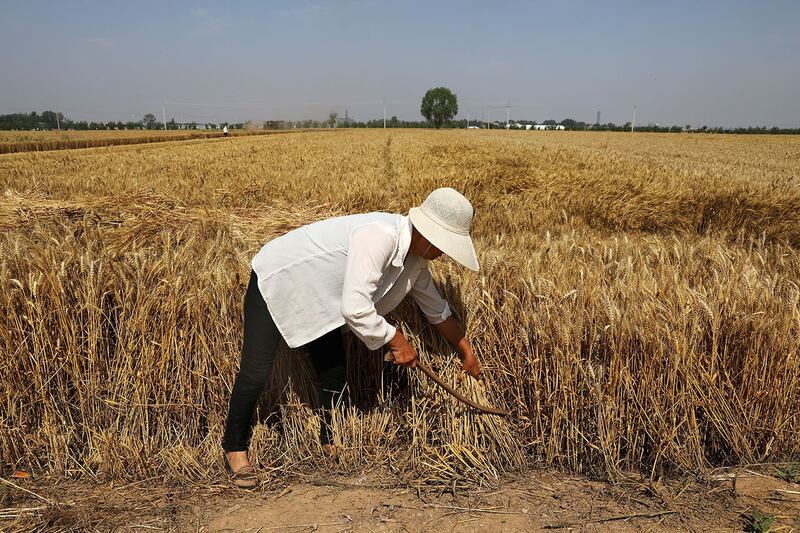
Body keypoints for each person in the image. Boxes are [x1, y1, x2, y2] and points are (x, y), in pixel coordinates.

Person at [222, 187, 482, 488]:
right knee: (256, 371)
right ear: (429, 234)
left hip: (322, 297)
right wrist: (396, 339)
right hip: (279, 278)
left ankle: (328, 441)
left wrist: (466, 351)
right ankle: (234, 446)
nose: (445, 253)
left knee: (333, 372)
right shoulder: (380, 236)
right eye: (445, 245)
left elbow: (436, 311)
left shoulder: (416, 264)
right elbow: (355, 307)